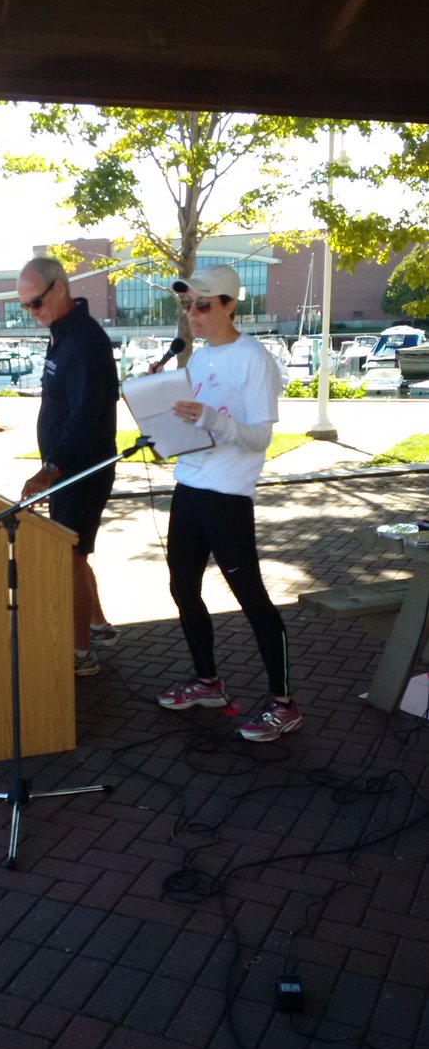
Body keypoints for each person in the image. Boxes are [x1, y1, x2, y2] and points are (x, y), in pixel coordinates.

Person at [155, 264, 302, 742]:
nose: (193, 314)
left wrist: (213, 420)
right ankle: (208, 683)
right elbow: (193, 426)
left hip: (228, 495)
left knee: (252, 599)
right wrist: (162, 430)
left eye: (203, 304)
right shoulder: (195, 360)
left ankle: (284, 703)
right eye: (187, 305)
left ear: (229, 306)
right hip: (189, 486)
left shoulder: (252, 358)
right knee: (182, 587)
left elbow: (260, 437)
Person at [18, 256, 119, 676]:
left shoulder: (85, 342)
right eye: (25, 306)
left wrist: (51, 469)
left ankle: (81, 654)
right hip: (67, 469)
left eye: (36, 303)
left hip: (81, 470)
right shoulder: (61, 333)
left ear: (60, 288)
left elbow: (84, 418)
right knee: (76, 551)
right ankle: (97, 624)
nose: (33, 313)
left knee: (70, 556)